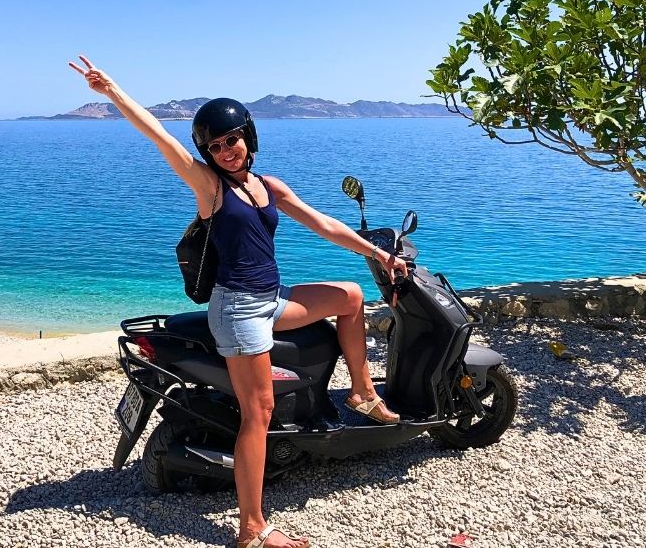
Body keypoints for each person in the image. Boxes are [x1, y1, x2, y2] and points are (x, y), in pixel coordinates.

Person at [69, 56, 408, 548]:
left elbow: (325, 225)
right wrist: (115, 92)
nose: (227, 150)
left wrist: (377, 252)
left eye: (233, 139)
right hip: (237, 310)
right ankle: (252, 528)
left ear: (248, 136)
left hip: (271, 298)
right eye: (215, 145)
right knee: (259, 412)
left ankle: (360, 392)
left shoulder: (269, 186)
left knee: (351, 297)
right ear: (206, 152)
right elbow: (159, 138)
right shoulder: (210, 188)